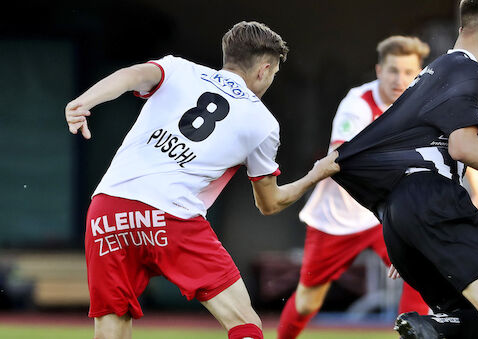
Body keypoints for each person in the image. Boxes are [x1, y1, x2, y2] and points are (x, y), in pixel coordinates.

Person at [65, 21, 339, 339]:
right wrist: (317, 174)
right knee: (244, 323)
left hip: (108, 207)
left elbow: (131, 76)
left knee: (111, 328)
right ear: (265, 69)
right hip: (171, 215)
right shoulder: (263, 123)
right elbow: (270, 202)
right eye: (274, 73)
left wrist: (86, 100)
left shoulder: (178, 69)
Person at [330, 1, 478, 338]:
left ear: (462, 28)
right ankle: (434, 324)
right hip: (432, 201)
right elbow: (462, 147)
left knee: (471, 316)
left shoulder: (434, 71)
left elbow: (410, 144)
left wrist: (407, 229)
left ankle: (433, 325)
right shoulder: (468, 69)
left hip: (399, 213)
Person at [277, 35, 478, 339]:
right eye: (393, 71)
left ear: (420, 73)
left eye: (409, 72)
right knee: (307, 301)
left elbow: (458, 144)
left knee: (421, 277)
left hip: (391, 210)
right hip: (339, 215)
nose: (400, 79)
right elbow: (341, 163)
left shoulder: (429, 100)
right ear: (379, 70)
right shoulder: (357, 103)